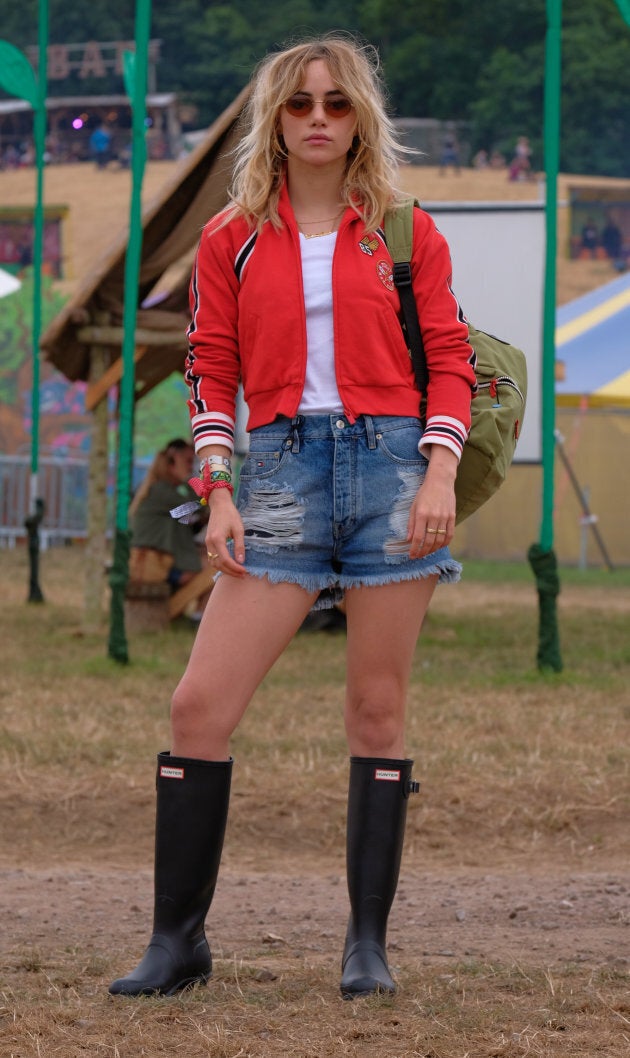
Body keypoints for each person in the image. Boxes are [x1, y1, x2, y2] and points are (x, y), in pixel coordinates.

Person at [109, 34, 476, 1002]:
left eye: (337, 103)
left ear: (362, 117)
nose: (319, 119)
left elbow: (449, 355)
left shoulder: (404, 229)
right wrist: (219, 489)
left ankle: (366, 944)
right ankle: (177, 939)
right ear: (275, 118)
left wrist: (438, 473)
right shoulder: (230, 237)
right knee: (199, 705)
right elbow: (210, 368)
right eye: (300, 103)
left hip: (394, 468)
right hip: (273, 474)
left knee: (376, 708)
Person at [128, 438, 208, 595]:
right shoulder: (161, 491)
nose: (191, 467)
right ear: (172, 464)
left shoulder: (159, 489)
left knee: (212, 557)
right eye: (187, 461)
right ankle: (195, 614)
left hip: (160, 558)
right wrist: (188, 479)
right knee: (212, 565)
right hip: (154, 562)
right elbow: (200, 504)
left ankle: (196, 614)